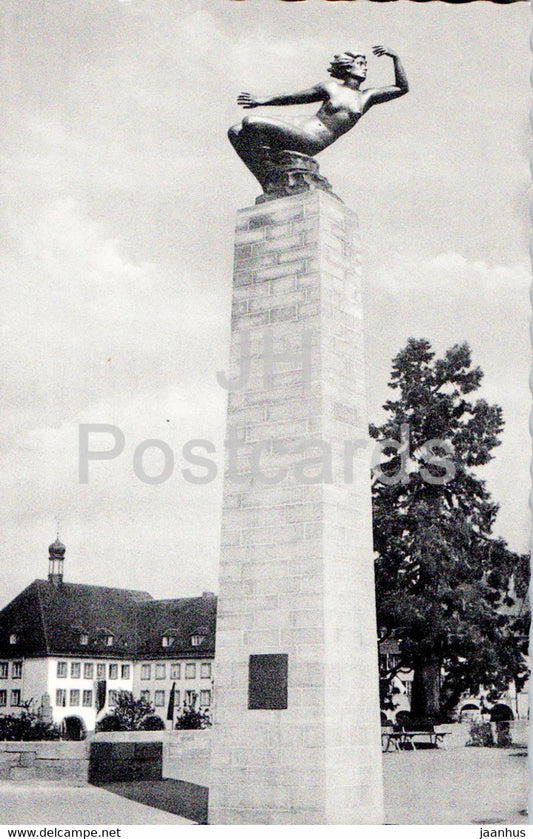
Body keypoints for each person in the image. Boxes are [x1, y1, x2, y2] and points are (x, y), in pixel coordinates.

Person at [228, 46, 408, 190]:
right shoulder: (330, 87)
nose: (365, 67)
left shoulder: (366, 97)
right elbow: (294, 97)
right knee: (235, 131)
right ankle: (267, 180)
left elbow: (401, 88)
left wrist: (396, 58)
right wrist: (262, 100)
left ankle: (272, 170)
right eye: (361, 63)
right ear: (347, 66)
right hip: (300, 127)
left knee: (251, 122)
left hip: (314, 140)